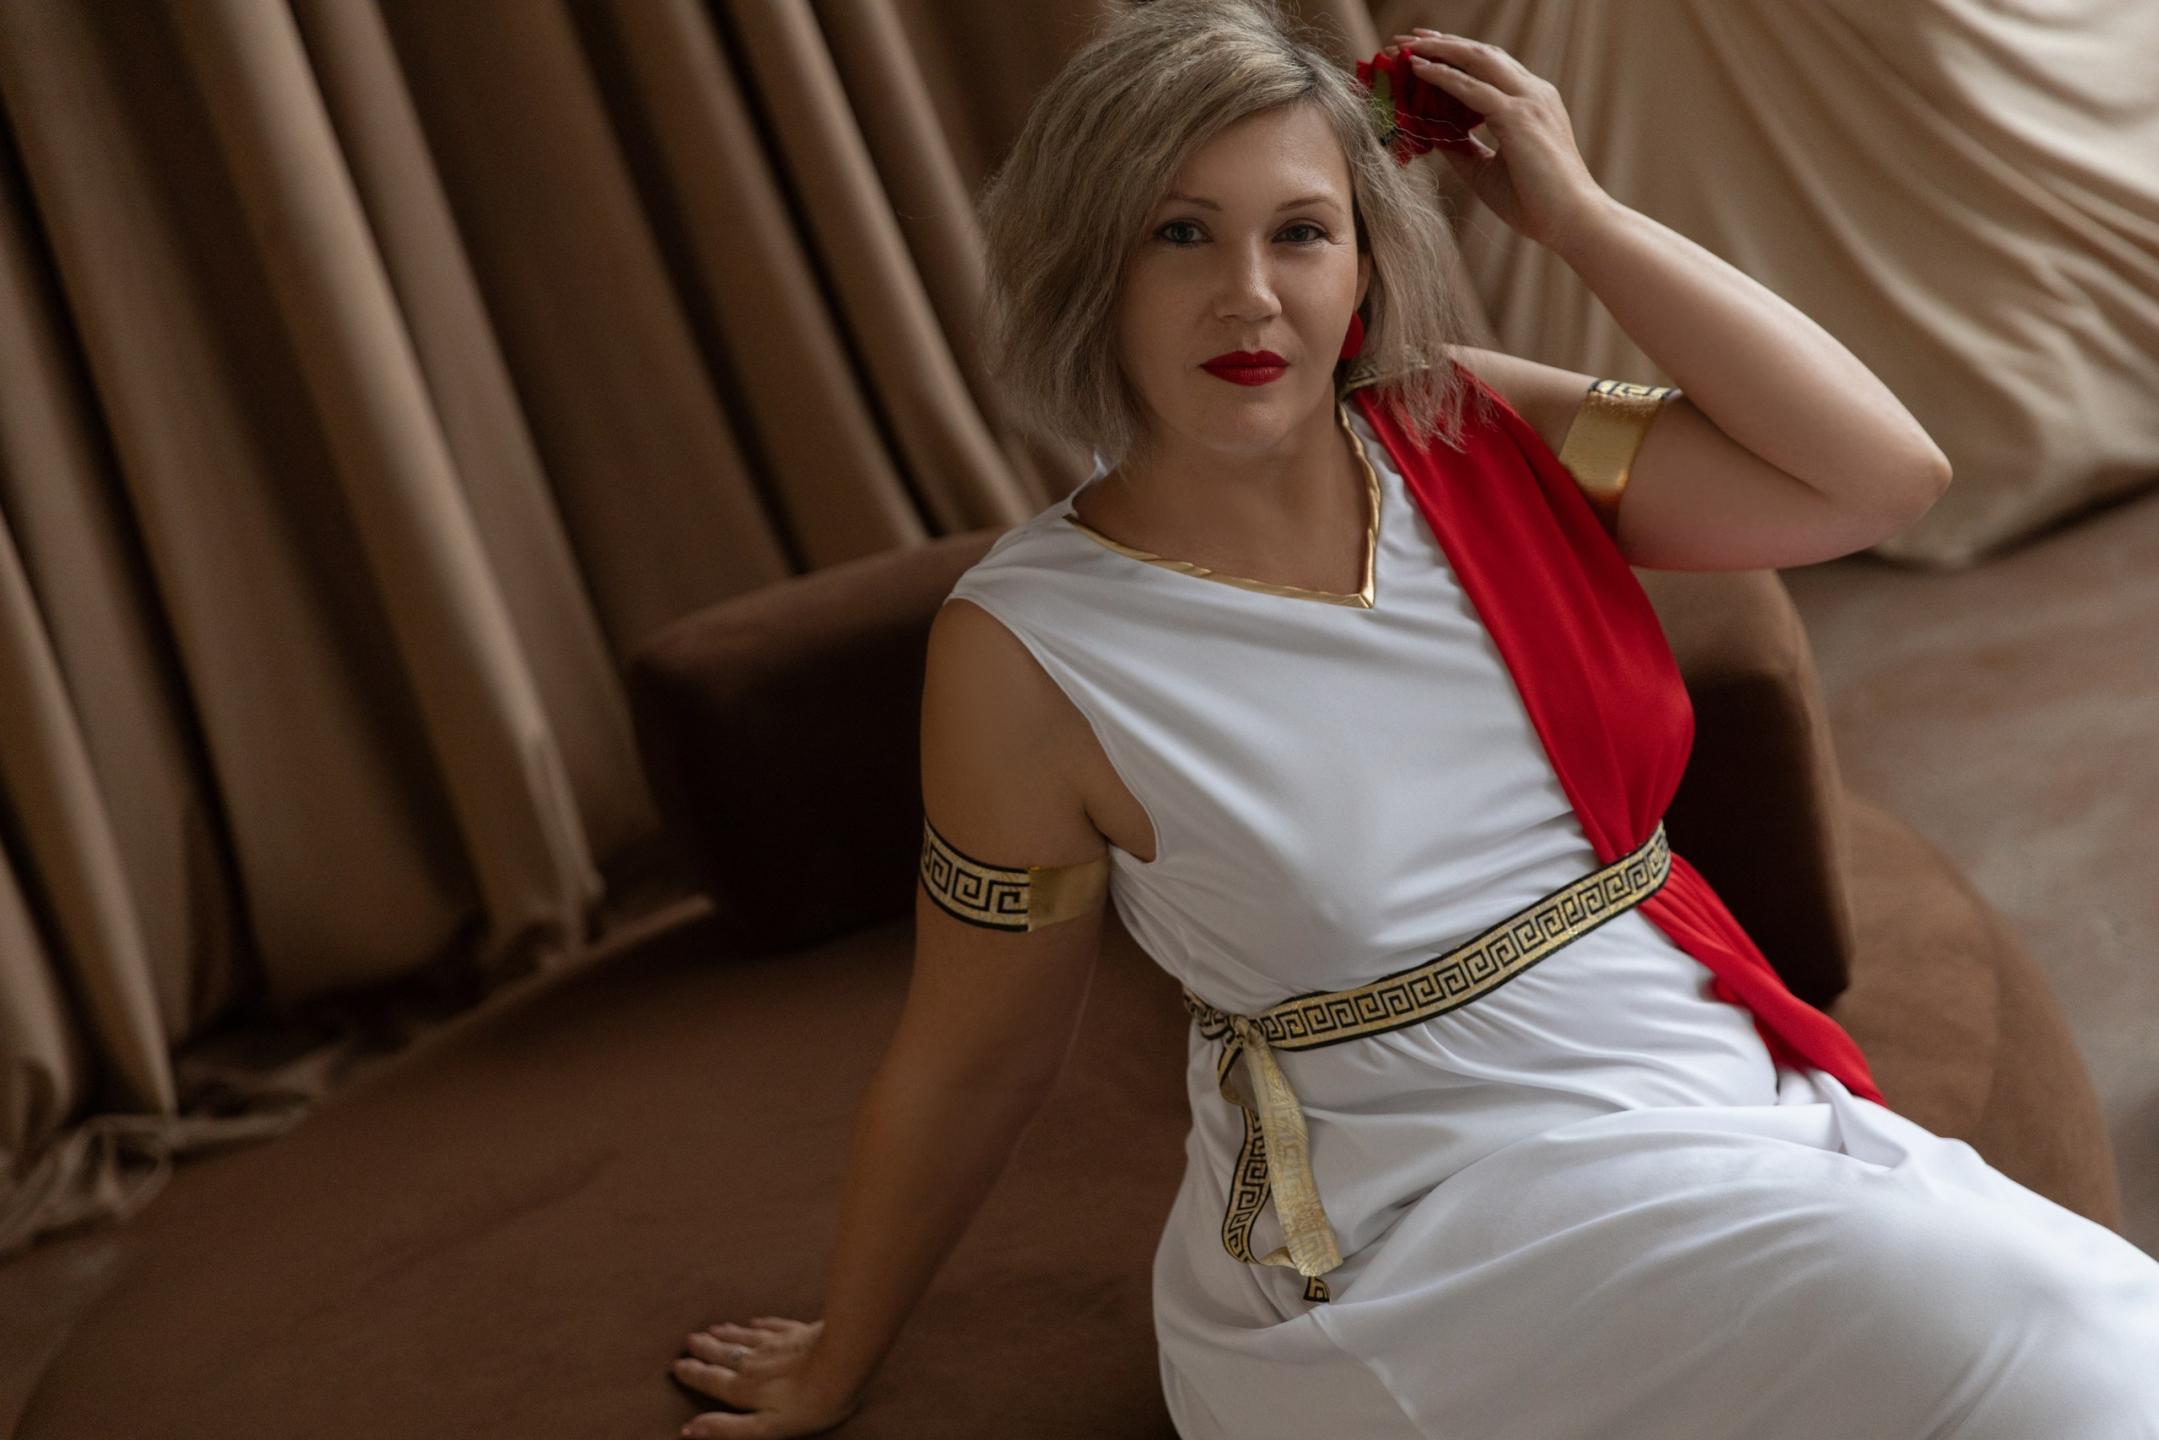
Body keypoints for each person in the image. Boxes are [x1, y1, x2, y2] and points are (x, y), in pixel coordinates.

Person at [668, 2, 2159, 1436]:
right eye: (1179, 232)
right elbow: (974, 1058)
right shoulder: (1028, 650)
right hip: (1419, 1230)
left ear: (1366, 261)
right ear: (1087, 268)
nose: (1249, 295)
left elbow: (1878, 479)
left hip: (1701, 1094)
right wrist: (842, 1355)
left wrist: (1580, 218)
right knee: (2054, 1331)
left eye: (1301, 231)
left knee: (2062, 1331)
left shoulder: (1469, 433)